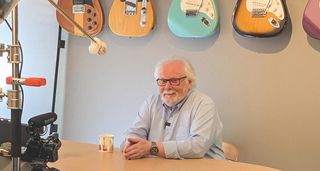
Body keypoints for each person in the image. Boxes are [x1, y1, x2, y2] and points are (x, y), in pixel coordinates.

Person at [121, 57, 224, 160]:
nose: (167, 87)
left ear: (189, 82)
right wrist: (130, 144)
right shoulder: (151, 102)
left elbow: (197, 147)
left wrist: (152, 148)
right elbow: (135, 133)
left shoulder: (204, 104)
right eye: (162, 81)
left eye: (174, 81)